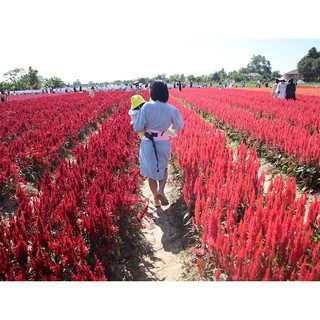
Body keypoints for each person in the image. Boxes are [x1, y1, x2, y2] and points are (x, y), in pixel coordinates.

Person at [133, 80, 184, 208]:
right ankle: (161, 190)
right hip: (163, 141)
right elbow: (178, 126)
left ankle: (156, 199)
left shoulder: (146, 107)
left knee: (151, 173)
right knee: (164, 168)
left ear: (152, 92)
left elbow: (138, 127)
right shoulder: (171, 108)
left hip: (148, 142)